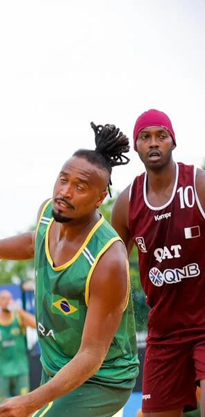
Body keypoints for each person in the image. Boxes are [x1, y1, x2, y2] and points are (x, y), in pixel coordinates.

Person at [0, 122, 139, 416]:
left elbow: (92, 355)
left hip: (102, 378)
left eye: (79, 186)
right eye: (63, 180)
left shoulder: (108, 260)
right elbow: (34, 242)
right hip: (56, 366)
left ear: (99, 199)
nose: (65, 192)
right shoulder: (49, 214)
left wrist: (32, 400)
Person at [111, 109, 205, 417]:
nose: (154, 143)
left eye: (161, 136)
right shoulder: (126, 204)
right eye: (145, 137)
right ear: (136, 146)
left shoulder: (198, 184)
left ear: (173, 142)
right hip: (164, 331)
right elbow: (111, 272)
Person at [0, 289, 36, 402]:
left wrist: (19, 310)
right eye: (4, 298)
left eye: (10, 298)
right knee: (3, 406)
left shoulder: (19, 317)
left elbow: (36, 325)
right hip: (1, 371)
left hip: (20, 369)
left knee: (24, 403)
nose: (8, 301)